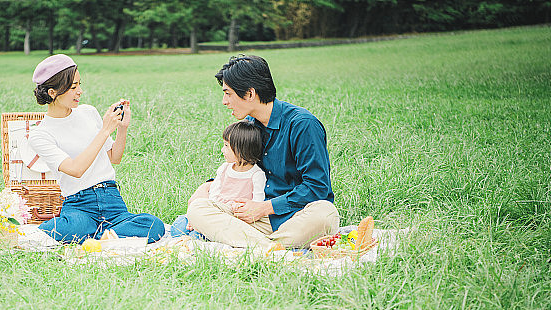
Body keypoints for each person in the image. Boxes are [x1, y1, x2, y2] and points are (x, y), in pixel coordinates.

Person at [186, 55, 340, 251]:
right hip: (252, 217)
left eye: (228, 93)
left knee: (326, 214)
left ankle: (256, 246)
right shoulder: (248, 127)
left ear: (250, 94)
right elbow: (239, 165)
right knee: (198, 209)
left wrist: (264, 208)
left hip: (296, 216)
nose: (224, 101)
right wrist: (205, 187)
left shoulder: (302, 124)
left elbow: (317, 187)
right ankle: (271, 248)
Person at [27, 54, 165, 244]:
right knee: (62, 229)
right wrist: (106, 129)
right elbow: (75, 169)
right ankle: (107, 236)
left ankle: (96, 237)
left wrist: (122, 129)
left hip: (112, 201)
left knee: (154, 226)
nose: (80, 91)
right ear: (52, 92)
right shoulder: (41, 134)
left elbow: (114, 157)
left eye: (79, 84)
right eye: (73, 87)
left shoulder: (88, 112)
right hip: (79, 206)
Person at [171, 121, 266, 239]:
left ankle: (200, 232)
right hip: (214, 209)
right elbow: (214, 194)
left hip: (231, 216)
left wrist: (240, 209)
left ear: (241, 150)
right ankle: (197, 228)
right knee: (178, 227)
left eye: (226, 146)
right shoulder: (224, 168)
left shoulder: (256, 175)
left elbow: (257, 202)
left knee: (199, 235)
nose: (222, 150)